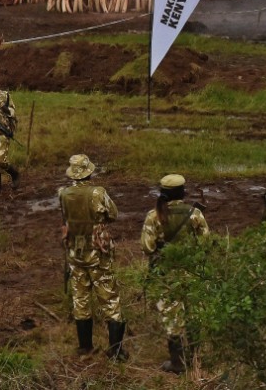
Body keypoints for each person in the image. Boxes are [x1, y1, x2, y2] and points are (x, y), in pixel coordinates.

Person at [140, 174, 210, 374]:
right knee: (194, 314)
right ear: (183, 192)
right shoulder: (194, 213)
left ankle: (178, 363)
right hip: (192, 271)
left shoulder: (154, 216)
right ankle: (195, 358)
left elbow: (147, 247)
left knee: (172, 318)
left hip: (166, 275)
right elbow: (206, 243)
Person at [58, 154, 126, 360]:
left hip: (75, 250)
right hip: (97, 250)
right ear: (88, 172)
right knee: (109, 298)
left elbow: (65, 219)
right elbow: (113, 214)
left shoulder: (64, 193)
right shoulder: (98, 192)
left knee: (80, 298)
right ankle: (115, 351)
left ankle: (85, 347)